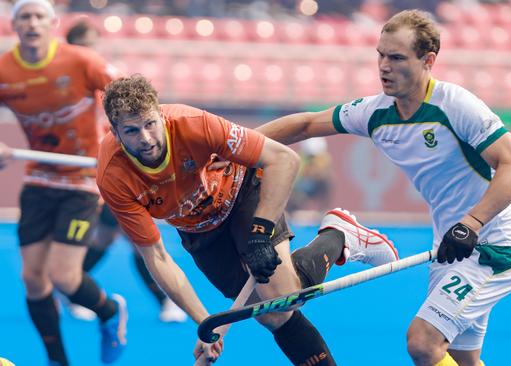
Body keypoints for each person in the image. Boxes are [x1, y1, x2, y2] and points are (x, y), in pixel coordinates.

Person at [257, 9, 511, 366]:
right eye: (381, 55)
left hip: (493, 248)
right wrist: (233, 145)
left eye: (397, 57)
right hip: (450, 248)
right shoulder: (376, 112)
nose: (384, 66)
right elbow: (307, 124)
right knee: (460, 359)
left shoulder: (456, 106)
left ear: (428, 60)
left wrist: (472, 223)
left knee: (423, 343)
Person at [96, 74, 399, 365]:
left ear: (160, 115)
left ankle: (339, 234)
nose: (146, 139)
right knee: (271, 314)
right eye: (132, 131)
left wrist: (258, 234)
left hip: (241, 193)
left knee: (284, 298)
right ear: (115, 130)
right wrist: (205, 324)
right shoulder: (113, 176)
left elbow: (284, 159)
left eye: (150, 124)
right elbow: (157, 256)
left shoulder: (192, 124)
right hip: (199, 232)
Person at [0, 1, 127, 365]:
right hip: (39, 177)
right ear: (15, 25)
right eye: (25, 16)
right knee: (33, 279)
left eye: (40, 16)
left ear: (53, 23)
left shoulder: (81, 61)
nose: (33, 23)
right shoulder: (5, 69)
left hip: (82, 178)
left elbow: (128, 96)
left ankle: (108, 312)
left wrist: (122, 137)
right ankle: (58, 359)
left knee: (64, 277)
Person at [64, 18, 187, 323]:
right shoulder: (66, 89)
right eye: (83, 47)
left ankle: (72, 287)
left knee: (115, 237)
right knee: (118, 238)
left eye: (92, 46)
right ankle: (74, 287)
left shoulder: (108, 84)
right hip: (88, 176)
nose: (89, 53)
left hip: (115, 173)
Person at [287, 137, 333, 214]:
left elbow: (323, 174)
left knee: (328, 181)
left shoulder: (324, 158)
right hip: (300, 189)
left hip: (315, 188)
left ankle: (322, 211)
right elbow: (297, 177)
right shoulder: (300, 157)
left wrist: (316, 173)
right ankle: (292, 213)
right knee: (293, 195)